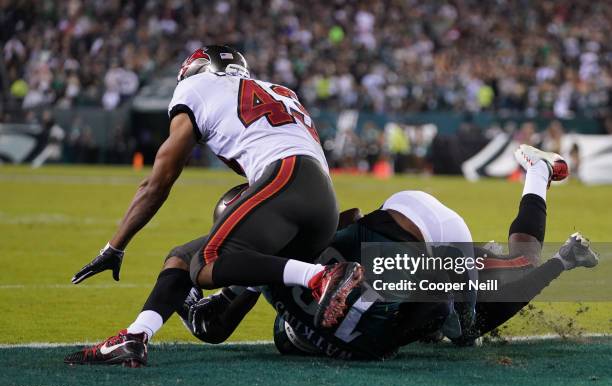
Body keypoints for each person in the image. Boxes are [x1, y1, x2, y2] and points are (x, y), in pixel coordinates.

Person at [65, 45, 363, 367]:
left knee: (207, 262)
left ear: (196, 70)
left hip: (287, 177)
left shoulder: (196, 87)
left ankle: (321, 277)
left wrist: (115, 246)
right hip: (320, 201)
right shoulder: (279, 91)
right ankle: (135, 337)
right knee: (181, 259)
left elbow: (157, 183)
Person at [183, 145, 597, 359]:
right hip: (396, 234)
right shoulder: (264, 260)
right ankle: (560, 259)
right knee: (441, 321)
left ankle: (538, 171)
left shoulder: (269, 257)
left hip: (423, 233)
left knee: (469, 320)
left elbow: (215, 323)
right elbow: (215, 323)